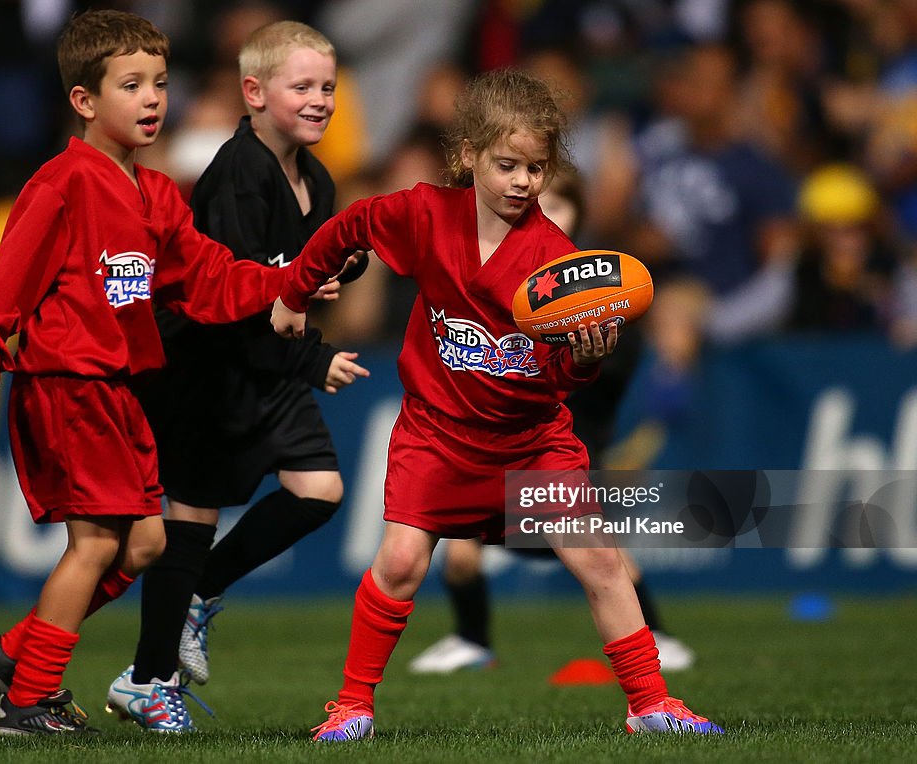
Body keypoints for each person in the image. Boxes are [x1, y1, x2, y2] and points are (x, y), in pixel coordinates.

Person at [271, 68, 723, 741]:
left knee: (600, 559)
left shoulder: (555, 263)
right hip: (437, 434)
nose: (522, 181)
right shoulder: (425, 214)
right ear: (468, 157)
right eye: (506, 163)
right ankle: (352, 708)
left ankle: (651, 704)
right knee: (398, 564)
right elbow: (352, 227)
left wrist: (588, 355)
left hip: (530, 439)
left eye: (536, 168)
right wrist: (295, 292)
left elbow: (563, 380)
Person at [0, 9, 287, 736]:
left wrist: (286, 283)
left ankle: (15, 655)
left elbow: (207, 280)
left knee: (145, 543)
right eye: (131, 84)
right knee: (100, 543)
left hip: (119, 391)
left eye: (161, 83)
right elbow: (1, 281)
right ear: (83, 101)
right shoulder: (62, 183)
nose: (152, 99)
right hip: (68, 383)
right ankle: (27, 702)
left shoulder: (157, 194)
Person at [105, 20, 369, 733]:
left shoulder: (315, 174)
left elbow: (322, 256)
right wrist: (313, 355)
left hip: (266, 363)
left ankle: (200, 596)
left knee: (320, 492)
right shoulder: (237, 172)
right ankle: (148, 681)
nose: (320, 101)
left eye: (328, 88)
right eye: (303, 87)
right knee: (188, 524)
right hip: (207, 368)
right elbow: (227, 295)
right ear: (253, 92)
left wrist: (345, 265)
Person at [408, 169, 695, 676]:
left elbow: (608, 381)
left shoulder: (598, 298)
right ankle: (471, 639)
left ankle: (658, 635)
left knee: (604, 559)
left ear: (578, 218)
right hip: (494, 449)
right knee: (460, 553)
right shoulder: (488, 285)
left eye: (558, 205)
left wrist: (582, 353)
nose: (545, 215)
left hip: (558, 452)